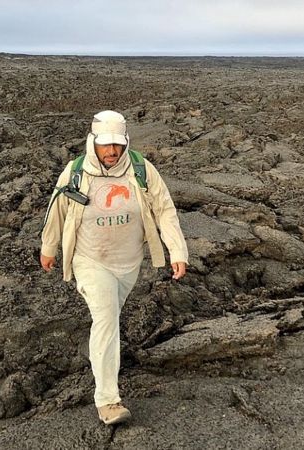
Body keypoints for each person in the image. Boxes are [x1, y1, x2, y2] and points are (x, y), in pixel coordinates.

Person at [40, 110, 189, 425]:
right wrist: (48, 247)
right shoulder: (75, 172)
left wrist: (177, 250)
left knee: (107, 319)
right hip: (89, 260)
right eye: (106, 144)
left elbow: (164, 209)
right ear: (93, 142)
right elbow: (57, 210)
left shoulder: (141, 169)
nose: (112, 151)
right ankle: (108, 401)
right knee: (107, 317)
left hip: (128, 264)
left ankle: (98, 355)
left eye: (118, 144)